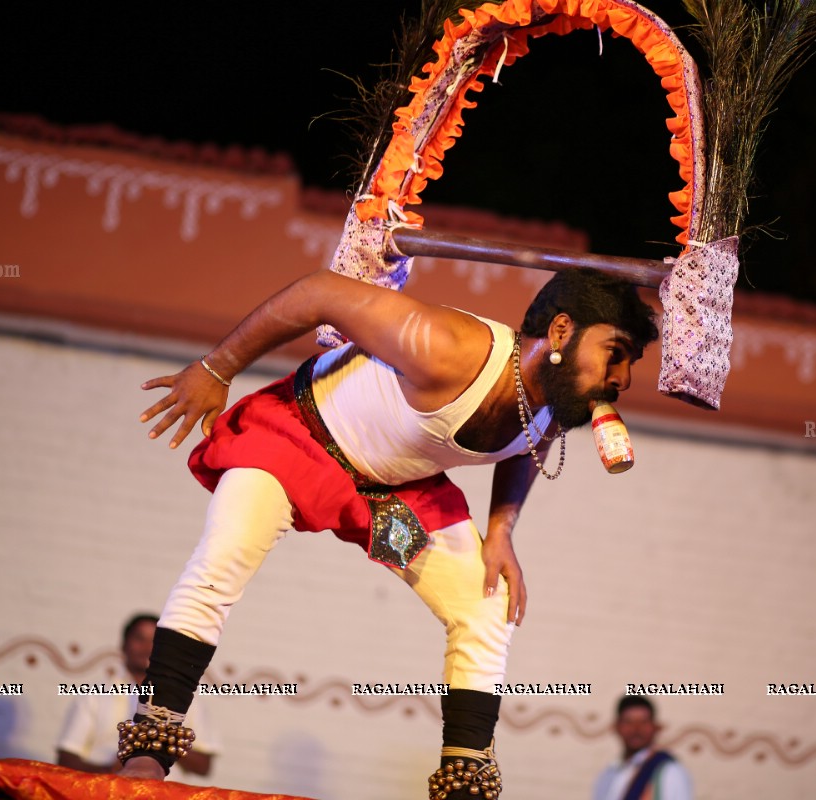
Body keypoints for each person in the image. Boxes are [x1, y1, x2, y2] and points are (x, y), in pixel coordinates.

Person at [126, 267, 658, 797]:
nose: (623, 380)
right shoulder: (446, 347)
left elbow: (530, 439)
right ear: (561, 332)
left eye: (630, 363)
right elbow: (318, 293)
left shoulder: (561, 397)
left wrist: (501, 530)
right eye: (615, 353)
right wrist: (216, 369)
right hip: (297, 436)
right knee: (224, 559)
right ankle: (148, 750)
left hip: (392, 489)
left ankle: (464, 786)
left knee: (486, 602)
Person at [56, 614, 219, 780]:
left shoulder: (188, 700)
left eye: (155, 640)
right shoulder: (93, 696)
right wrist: (110, 771)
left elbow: (204, 766)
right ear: (123, 645)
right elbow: (66, 759)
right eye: (139, 638)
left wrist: (163, 739)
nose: (147, 647)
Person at [592, 696, 693, 800]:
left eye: (644, 722)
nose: (636, 729)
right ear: (616, 727)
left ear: (656, 727)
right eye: (628, 722)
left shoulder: (669, 772)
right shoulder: (609, 774)